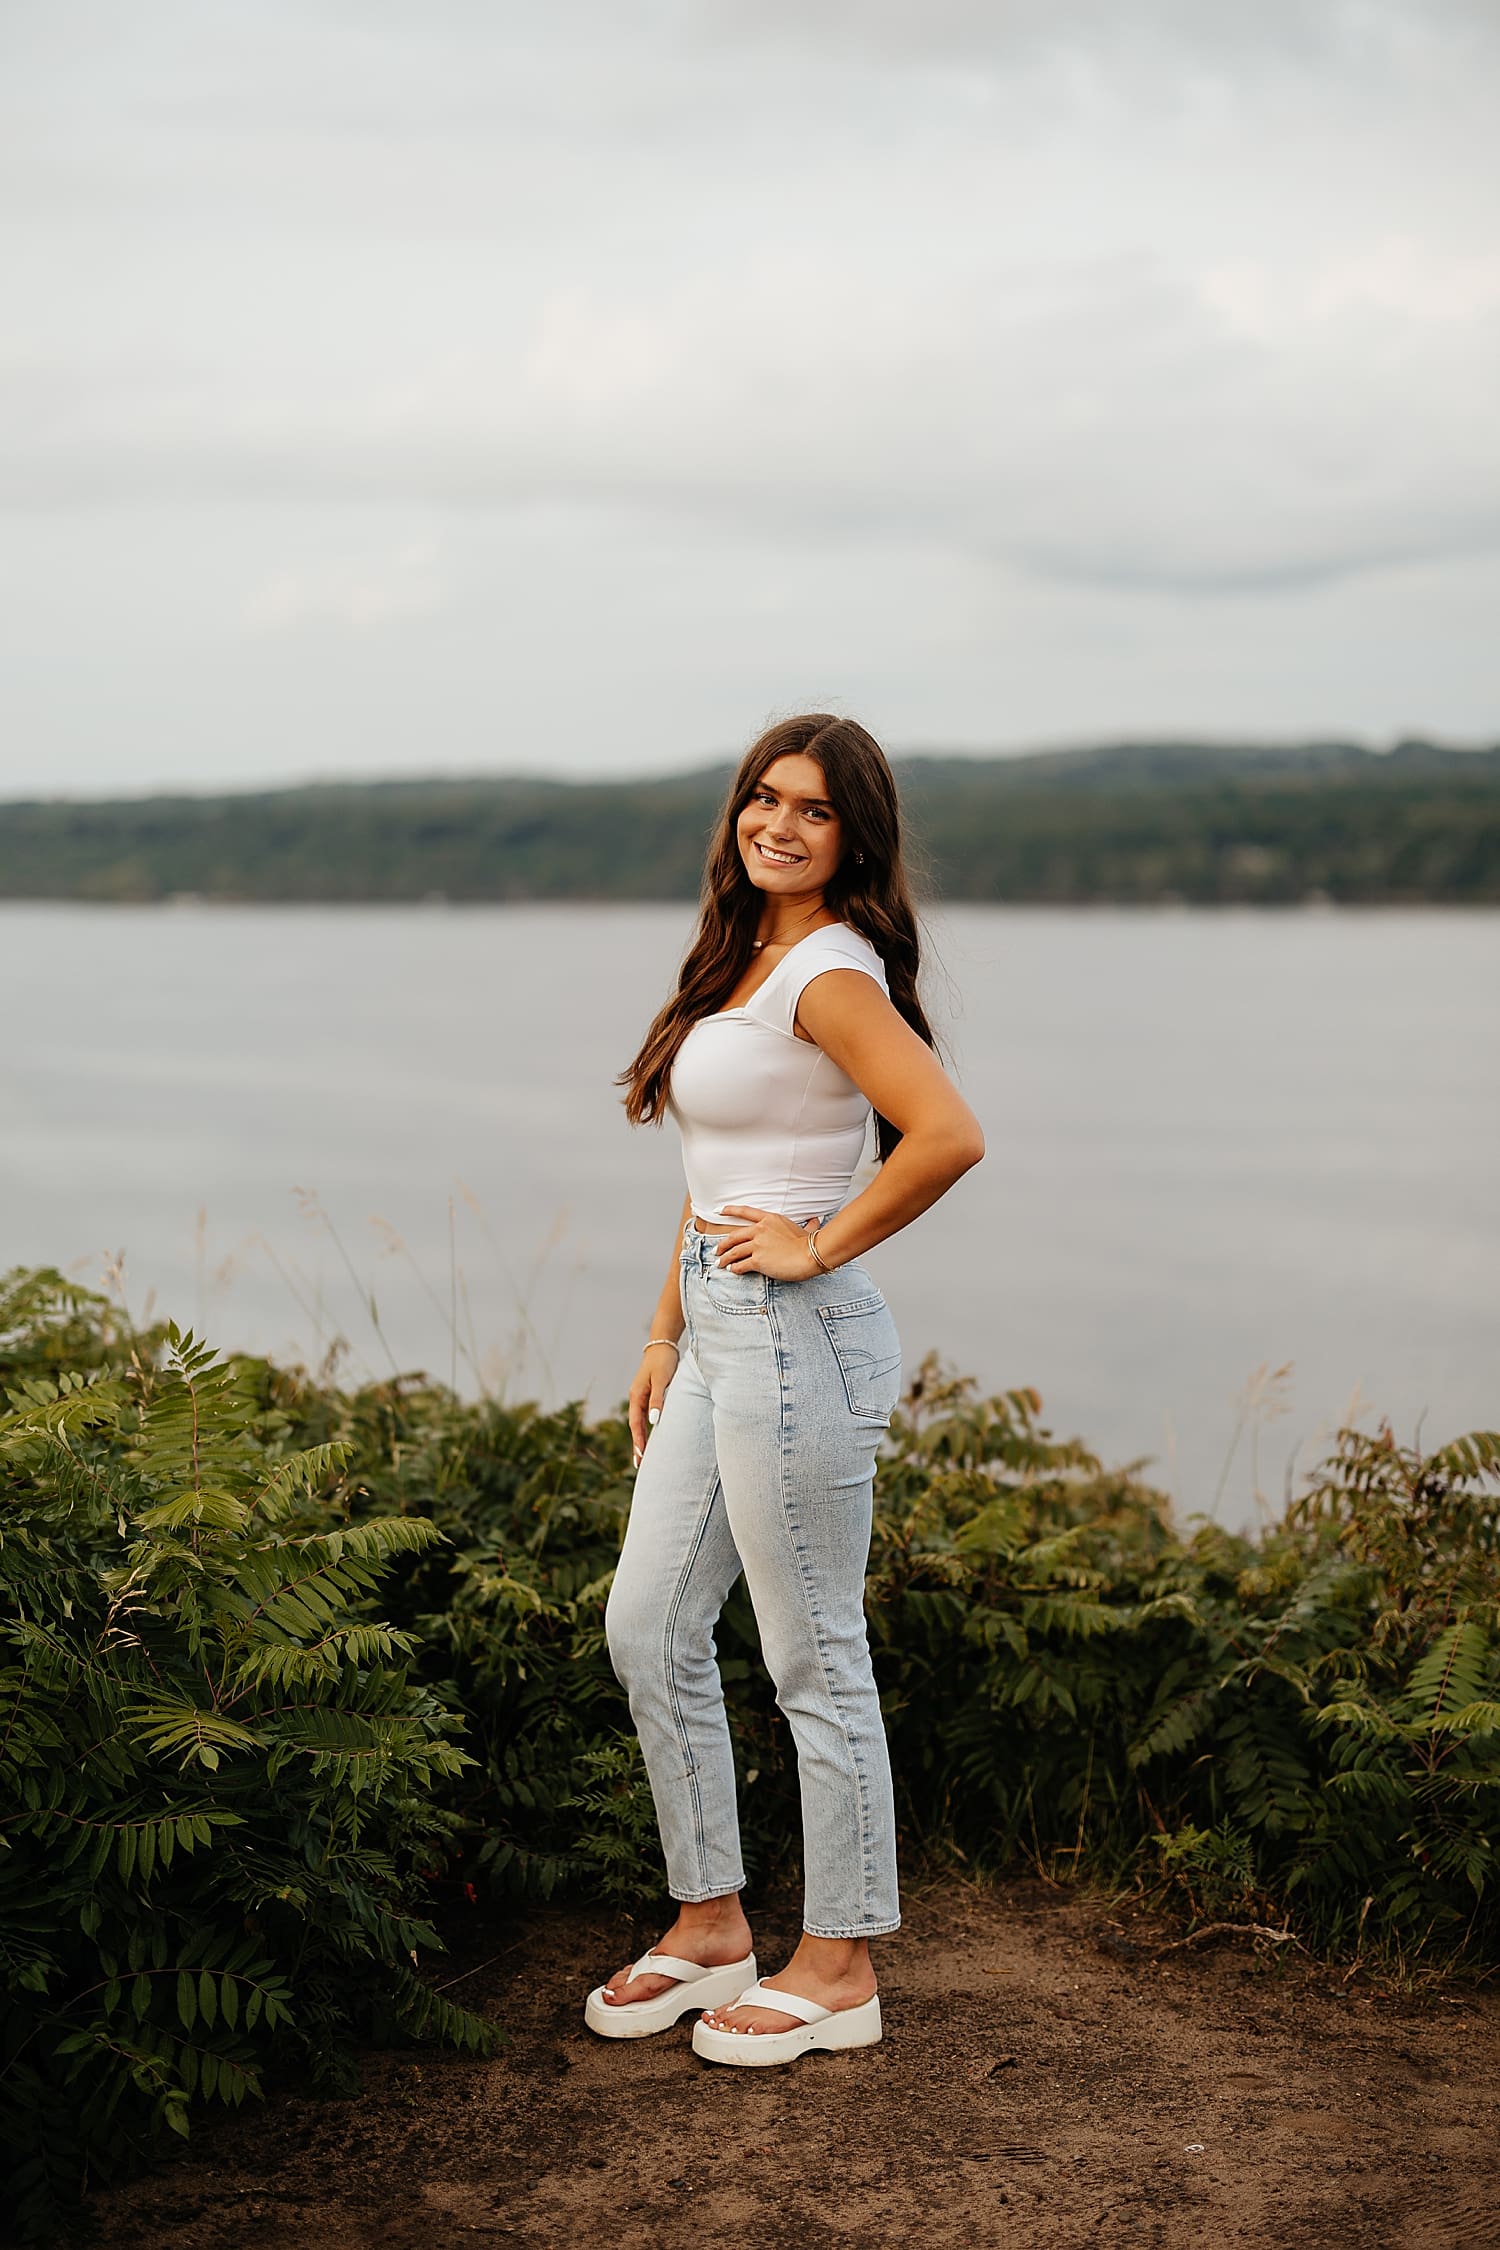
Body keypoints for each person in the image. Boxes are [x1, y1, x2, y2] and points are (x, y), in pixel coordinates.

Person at [584, 713, 984, 2068]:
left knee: (812, 1647)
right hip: (717, 1327)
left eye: (812, 809)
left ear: (851, 834)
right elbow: (717, 1177)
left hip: (798, 1337)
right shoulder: (744, 954)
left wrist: (817, 1241)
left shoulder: (828, 972)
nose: (779, 822)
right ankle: (710, 1924)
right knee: (646, 1624)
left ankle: (842, 1959)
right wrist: (662, 1329)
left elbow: (946, 1134)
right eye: (764, 796)